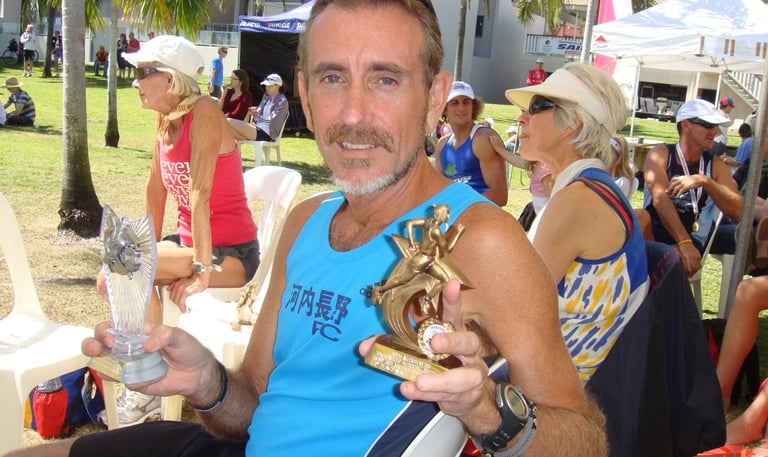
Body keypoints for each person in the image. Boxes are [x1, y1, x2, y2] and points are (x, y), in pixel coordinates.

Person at [10, 3, 606, 456]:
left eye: (386, 79)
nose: (353, 114)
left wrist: (488, 411)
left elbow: (586, 440)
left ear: (434, 98)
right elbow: (255, 407)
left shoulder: (483, 240)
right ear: (304, 95)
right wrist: (208, 383)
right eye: (331, 78)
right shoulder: (306, 220)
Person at [93, 35, 258, 428]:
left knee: (127, 270)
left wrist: (201, 269)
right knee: (112, 276)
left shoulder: (205, 110)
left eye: (143, 73)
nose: (135, 82)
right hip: (187, 244)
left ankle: (148, 385)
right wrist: (147, 246)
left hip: (230, 252)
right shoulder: (165, 118)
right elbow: (156, 188)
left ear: (169, 79)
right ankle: (152, 374)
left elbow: (200, 193)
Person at [506, 62, 649, 384]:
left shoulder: (579, 199)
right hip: (560, 373)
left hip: (553, 387)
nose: (521, 117)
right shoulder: (589, 188)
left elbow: (515, 306)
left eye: (536, 107)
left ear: (573, 123)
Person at [643, 99, 743, 277]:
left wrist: (705, 181)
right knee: (638, 218)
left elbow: (738, 212)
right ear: (685, 124)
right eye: (708, 125)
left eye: (715, 126)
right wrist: (684, 242)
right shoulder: (660, 154)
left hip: (692, 236)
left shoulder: (716, 165)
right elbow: (660, 199)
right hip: (658, 233)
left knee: (667, 259)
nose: (715, 131)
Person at [433, 80, 509, 206]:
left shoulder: (483, 139)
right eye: (454, 103)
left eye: (466, 102)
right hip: (453, 213)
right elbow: (438, 190)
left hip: (479, 213)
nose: (461, 108)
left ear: (473, 107)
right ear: (444, 109)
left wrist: (457, 207)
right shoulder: (442, 145)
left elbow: (499, 196)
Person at [227, 73, 288, 143]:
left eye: (269, 86)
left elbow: (273, 120)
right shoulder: (266, 97)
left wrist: (258, 115)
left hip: (266, 133)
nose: (266, 88)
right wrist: (255, 113)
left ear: (278, 86)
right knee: (229, 129)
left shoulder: (282, 101)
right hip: (258, 128)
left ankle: (241, 141)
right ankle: (240, 143)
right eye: (266, 86)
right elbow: (260, 114)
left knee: (228, 121)